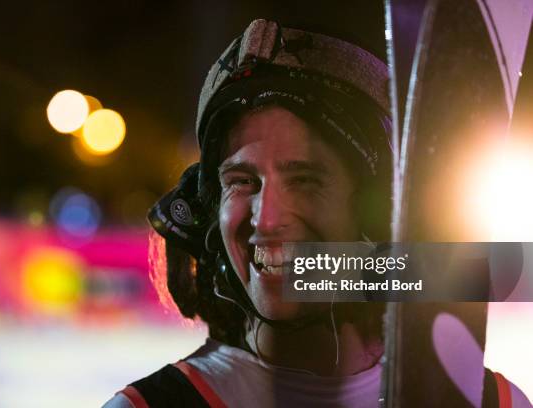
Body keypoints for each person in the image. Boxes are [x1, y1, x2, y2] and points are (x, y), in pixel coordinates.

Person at [103, 19, 531, 408]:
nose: (266, 220)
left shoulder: (497, 403)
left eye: (305, 180)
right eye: (241, 182)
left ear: (381, 209)